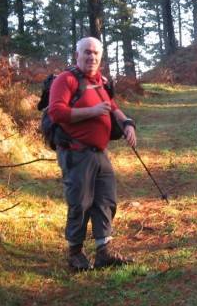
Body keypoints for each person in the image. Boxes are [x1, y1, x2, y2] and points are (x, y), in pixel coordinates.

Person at [48, 36, 137, 272]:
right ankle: (74, 254)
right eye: (87, 52)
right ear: (77, 54)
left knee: (106, 201)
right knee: (80, 203)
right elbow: (57, 112)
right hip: (76, 152)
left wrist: (127, 123)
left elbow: (113, 107)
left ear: (101, 57)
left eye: (96, 53)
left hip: (99, 152)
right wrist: (93, 111)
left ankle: (103, 252)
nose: (92, 57)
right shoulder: (65, 80)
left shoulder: (99, 81)